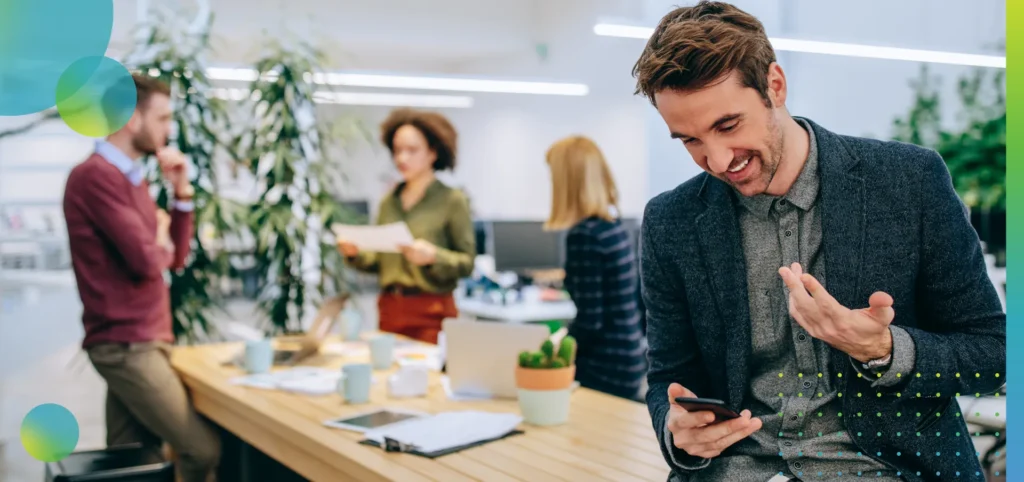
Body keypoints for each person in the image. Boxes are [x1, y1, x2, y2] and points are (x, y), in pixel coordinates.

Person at [633, 2, 1006, 481]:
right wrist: (677, 431)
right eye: (689, 140)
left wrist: (885, 349)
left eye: (728, 126)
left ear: (775, 85)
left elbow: (993, 354)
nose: (718, 159)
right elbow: (668, 375)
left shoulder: (909, 182)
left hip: (883, 468)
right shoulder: (672, 221)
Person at [63, 74, 220, 482]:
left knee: (132, 457)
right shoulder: (95, 177)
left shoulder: (131, 180)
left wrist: (181, 195)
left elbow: (175, 258)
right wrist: (159, 236)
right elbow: (146, 263)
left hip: (143, 338)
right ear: (131, 117)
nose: (169, 130)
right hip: (127, 345)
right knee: (201, 450)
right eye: (163, 118)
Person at [338, 108, 475, 344]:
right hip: (390, 308)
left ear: (433, 152)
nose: (402, 158)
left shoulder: (452, 200)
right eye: (398, 150)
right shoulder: (388, 202)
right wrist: (356, 254)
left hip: (432, 312)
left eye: (412, 150)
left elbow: (467, 263)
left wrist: (433, 256)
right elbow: (380, 261)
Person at [544, 136, 647, 400]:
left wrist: (553, 345)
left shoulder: (584, 235)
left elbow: (591, 322)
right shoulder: (613, 226)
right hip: (630, 359)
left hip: (603, 365)